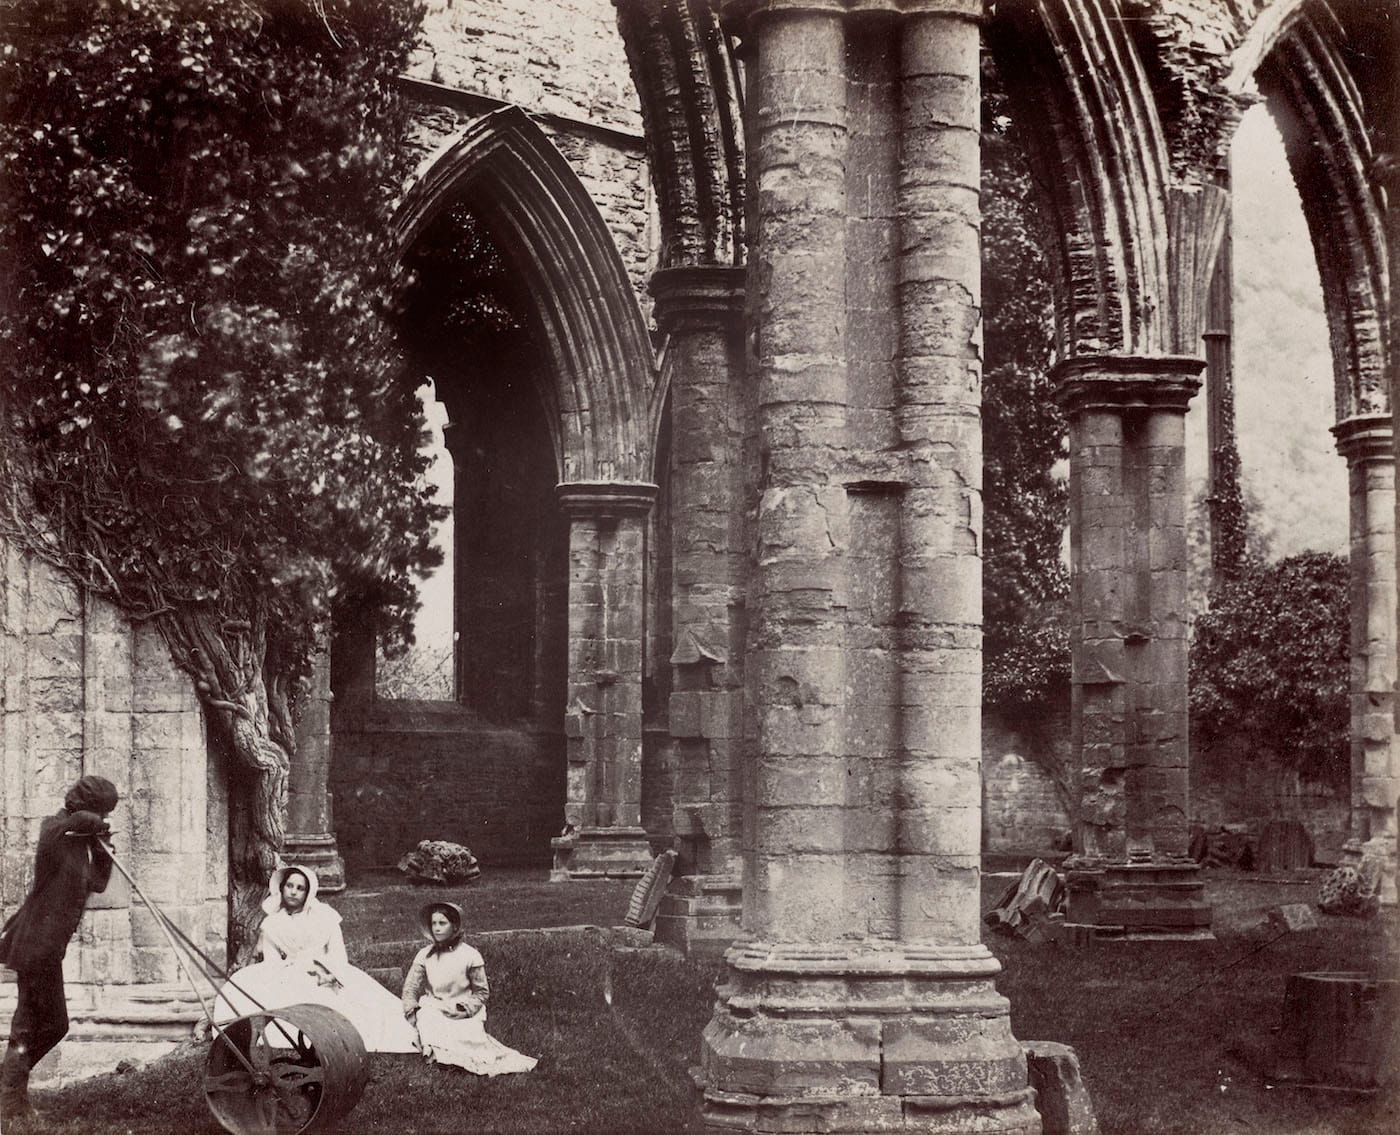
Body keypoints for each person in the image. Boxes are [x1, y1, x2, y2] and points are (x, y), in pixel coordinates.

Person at [0, 774, 120, 1125]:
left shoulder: (83, 841)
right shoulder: (54, 830)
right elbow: (76, 822)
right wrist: (95, 825)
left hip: (48, 949)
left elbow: (97, 884)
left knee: (49, 1025)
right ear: (87, 806)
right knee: (37, 1023)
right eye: (102, 810)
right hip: (35, 944)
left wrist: (103, 849)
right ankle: (9, 1101)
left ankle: (9, 1090)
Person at [213, 865, 417, 1053]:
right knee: (247, 991)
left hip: (324, 971)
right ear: (281, 889)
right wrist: (281, 976)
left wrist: (329, 973)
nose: (293, 892)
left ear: (308, 892)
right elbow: (272, 962)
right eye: (289, 886)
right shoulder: (273, 923)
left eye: (300, 888)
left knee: (361, 1009)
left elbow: (338, 955)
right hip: (288, 972)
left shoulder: (325, 916)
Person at [401, 901, 536, 1076]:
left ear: (455, 926)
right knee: (427, 1019)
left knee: (468, 1036)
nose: (437, 928)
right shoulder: (424, 954)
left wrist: (465, 1011)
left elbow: (482, 992)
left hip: (460, 1008)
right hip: (435, 1007)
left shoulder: (470, 955)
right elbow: (410, 988)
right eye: (434, 923)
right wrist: (411, 1009)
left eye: (442, 923)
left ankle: (457, 1060)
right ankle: (440, 1058)